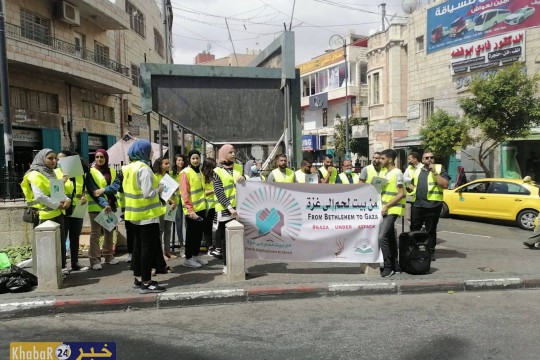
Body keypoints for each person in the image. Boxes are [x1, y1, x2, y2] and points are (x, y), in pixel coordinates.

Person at [122, 139, 166, 294]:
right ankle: (146, 282)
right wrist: (160, 188)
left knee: (138, 247)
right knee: (147, 248)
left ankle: (139, 277)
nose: (152, 153)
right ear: (144, 152)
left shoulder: (128, 168)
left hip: (134, 214)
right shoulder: (144, 169)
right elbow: (148, 194)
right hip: (147, 215)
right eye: (150, 151)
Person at [20, 148, 71, 272]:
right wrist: (57, 205)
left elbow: (56, 192)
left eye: (55, 158)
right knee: (46, 247)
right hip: (44, 216)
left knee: (59, 243)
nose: (54, 161)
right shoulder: (34, 174)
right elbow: (40, 196)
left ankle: (60, 268)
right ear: (42, 159)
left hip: (57, 214)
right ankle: (46, 272)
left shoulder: (51, 173)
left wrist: (66, 199)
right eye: (50, 158)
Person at [410, 149, 450, 261]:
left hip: (433, 205)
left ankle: (430, 251)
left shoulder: (439, 168)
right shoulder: (417, 170)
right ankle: (414, 249)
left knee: (430, 230)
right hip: (417, 204)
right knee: (414, 229)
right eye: (426, 158)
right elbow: (412, 185)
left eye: (431, 157)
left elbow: (445, 184)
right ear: (422, 160)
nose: (429, 160)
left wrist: (435, 173)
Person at [213, 144, 245, 274]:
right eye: (230, 152)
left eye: (234, 152)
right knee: (226, 240)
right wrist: (229, 208)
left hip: (239, 208)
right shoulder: (217, 171)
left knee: (239, 238)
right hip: (225, 209)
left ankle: (239, 265)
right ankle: (227, 265)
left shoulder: (238, 167)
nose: (233, 154)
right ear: (224, 154)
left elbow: (244, 186)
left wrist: (245, 178)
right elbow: (219, 192)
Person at [86, 149, 120, 270]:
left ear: (106, 158)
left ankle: (108, 255)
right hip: (96, 206)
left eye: (102, 157)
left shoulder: (112, 171)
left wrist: (105, 190)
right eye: (97, 157)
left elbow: (116, 187)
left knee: (109, 231)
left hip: (110, 206)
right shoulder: (90, 172)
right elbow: (93, 190)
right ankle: (94, 260)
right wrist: (104, 202)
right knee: (95, 233)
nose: (99, 159)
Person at [56, 150, 89, 272]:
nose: (59, 162)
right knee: (62, 238)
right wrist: (62, 181)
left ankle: (75, 263)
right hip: (63, 210)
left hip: (77, 209)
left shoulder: (80, 174)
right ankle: (63, 265)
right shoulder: (56, 173)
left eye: (62, 160)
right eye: (57, 160)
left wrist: (83, 197)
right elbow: (53, 191)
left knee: (75, 237)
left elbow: (82, 190)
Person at [378, 149, 406, 277]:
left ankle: (388, 267)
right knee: (389, 238)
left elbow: (401, 193)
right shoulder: (384, 173)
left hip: (392, 209)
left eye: (383, 158)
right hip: (385, 209)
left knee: (382, 237)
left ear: (390, 159)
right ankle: (396, 265)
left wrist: (387, 206)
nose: (380, 160)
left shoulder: (398, 173)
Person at [180, 149, 208, 268]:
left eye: (197, 158)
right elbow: (184, 193)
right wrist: (190, 210)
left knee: (198, 234)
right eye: (193, 158)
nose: (195, 160)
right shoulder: (185, 172)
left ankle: (195, 255)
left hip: (201, 208)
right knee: (191, 235)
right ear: (189, 159)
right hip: (192, 210)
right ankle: (188, 258)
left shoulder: (199, 172)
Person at [152, 156, 177, 260]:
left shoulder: (168, 176)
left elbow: (170, 192)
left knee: (168, 230)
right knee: (160, 231)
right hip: (160, 207)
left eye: (168, 163)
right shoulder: (155, 177)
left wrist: (173, 202)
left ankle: (167, 251)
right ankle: (160, 253)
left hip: (169, 207)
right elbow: (156, 193)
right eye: (166, 164)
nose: (168, 165)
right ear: (160, 165)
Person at [171, 154, 187, 250]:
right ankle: (181, 245)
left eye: (182, 160)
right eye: (178, 160)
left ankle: (187, 244)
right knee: (179, 223)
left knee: (187, 223)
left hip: (186, 200)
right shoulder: (171, 173)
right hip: (176, 201)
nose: (180, 162)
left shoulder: (186, 172)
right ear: (175, 161)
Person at [201, 157, 217, 253]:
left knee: (210, 225)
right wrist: (213, 191)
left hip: (213, 204)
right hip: (206, 204)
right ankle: (209, 245)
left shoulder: (213, 175)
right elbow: (202, 192)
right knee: (206, 226)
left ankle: (210, 244)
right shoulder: (202, 176)